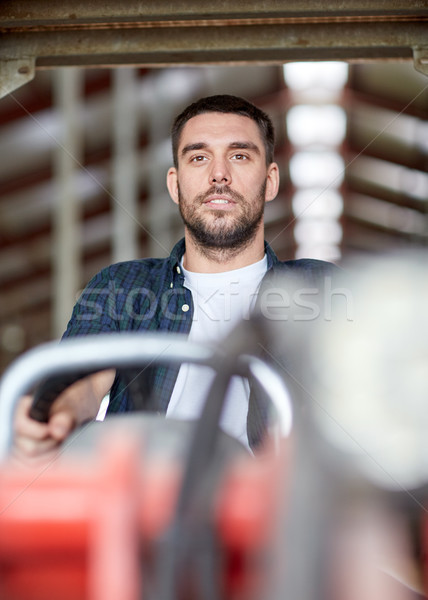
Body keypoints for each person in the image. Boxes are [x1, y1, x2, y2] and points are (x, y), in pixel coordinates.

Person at [12, 94, 336, 464]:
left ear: (271, 180)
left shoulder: (320, 285)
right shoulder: (123, 286)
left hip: (278, 507)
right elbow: (83, 378)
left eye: (240, 155)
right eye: (199, 157)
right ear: (175, 184)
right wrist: (58, 414)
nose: (219, 174)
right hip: (147, 498)